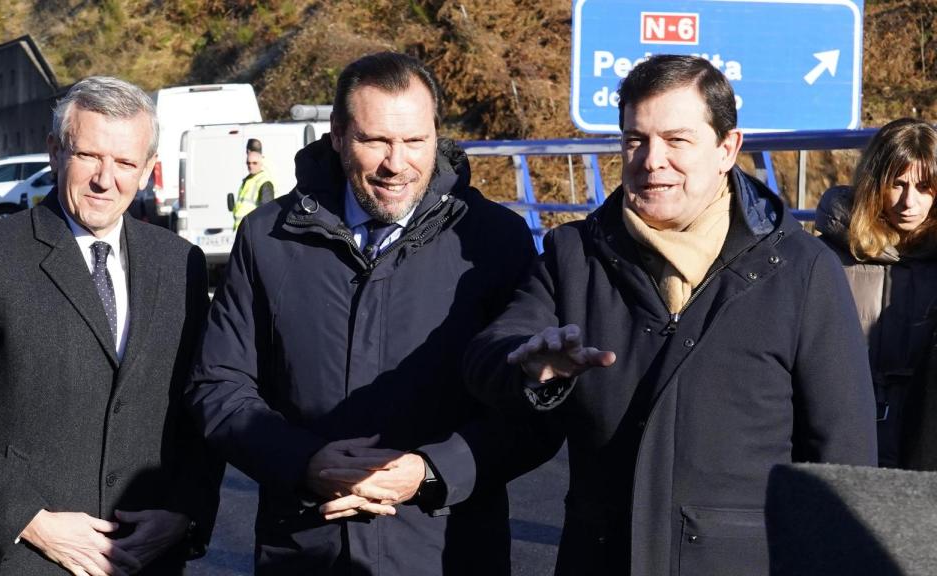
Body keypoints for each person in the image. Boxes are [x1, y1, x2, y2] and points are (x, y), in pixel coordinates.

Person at [464, 54, 877, 576]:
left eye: (677, 140)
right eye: (636, 140)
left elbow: (843, 453)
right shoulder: (574, 255)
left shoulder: (800, 269)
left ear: (727, 148)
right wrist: (526, 366)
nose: (652, 159)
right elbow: (490, 352)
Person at [185, 52, 551, 575]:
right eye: (375, 140)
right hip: (304, 550)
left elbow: (532, 408)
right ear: (337, 135)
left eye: (415, 141)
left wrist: (430, 472)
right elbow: (217, 386)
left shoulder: (495, 242)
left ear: (436, 134)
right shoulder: (267, 238)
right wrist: (304, 462)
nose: (396, 163)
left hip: (446, 553)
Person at [0, 76, 221, 575]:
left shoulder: (178, 263)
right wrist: (31, 520)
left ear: (146, 171)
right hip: (17, 560)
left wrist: (184, 513)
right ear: (55, 151)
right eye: (89, 156)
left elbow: (201, 407)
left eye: (125, 163)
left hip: (143, 560)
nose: (106, 179)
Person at [815, 118, 937, 469]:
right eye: (896, 185)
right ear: (873, 184)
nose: (908, 202)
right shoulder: (826, 258)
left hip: (923, 446)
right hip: (844, 439)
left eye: (925, 187)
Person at [232, 138, 275, 229]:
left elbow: (266, 212)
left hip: (252, 230)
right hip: (243, 229)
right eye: (248, 163)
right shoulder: (249, 180)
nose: (250, 166)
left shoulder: (264, 181)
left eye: (254, 163)